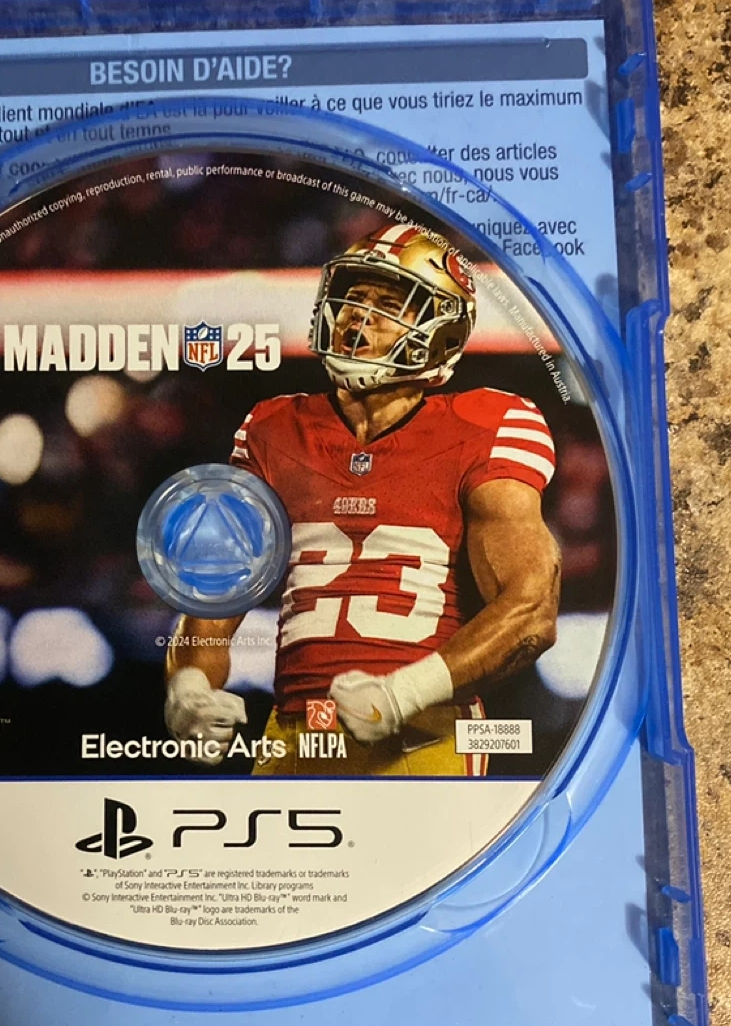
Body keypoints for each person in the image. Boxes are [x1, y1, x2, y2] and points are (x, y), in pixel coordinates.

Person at [163, 223, 560, 776]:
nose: (358, 316)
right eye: (353, 298)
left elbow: (531, 611)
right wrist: (188, 685)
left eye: (388, 304)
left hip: (425, 732)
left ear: (442, 329)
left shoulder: (489, 423)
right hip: (294, 731)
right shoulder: (273, 426)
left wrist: (403, 694)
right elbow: (216, 590)